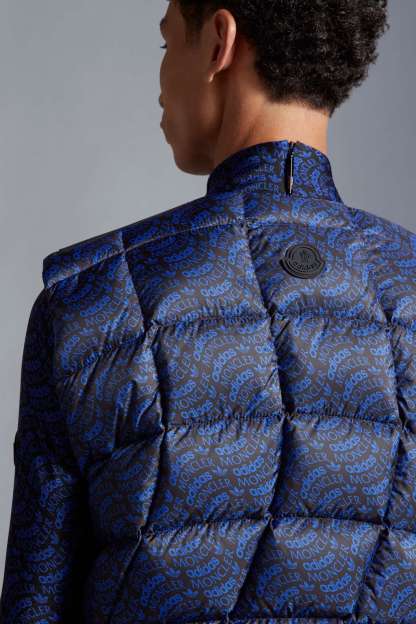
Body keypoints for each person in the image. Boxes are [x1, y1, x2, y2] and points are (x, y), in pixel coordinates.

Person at [1, 0, 415, 622]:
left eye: (167, 44)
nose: (161, 78)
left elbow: (35, 606)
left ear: (220, 41)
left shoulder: (90, 301)